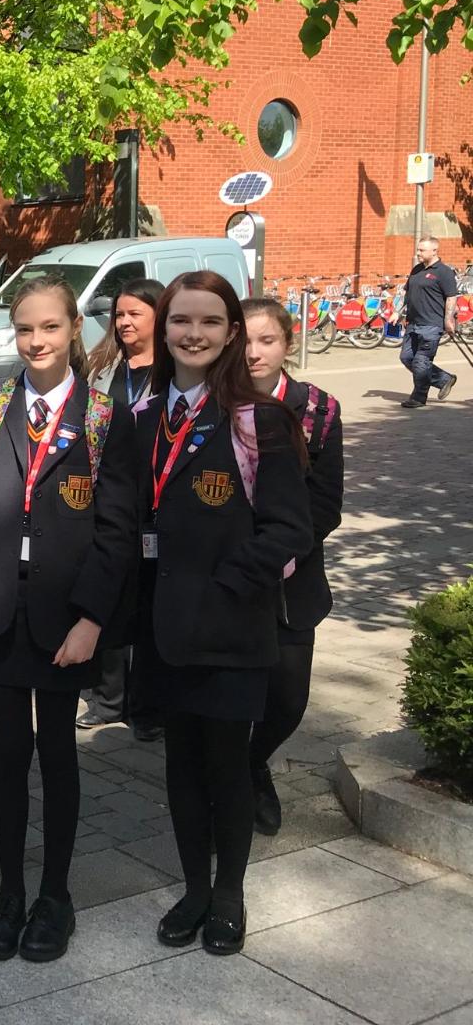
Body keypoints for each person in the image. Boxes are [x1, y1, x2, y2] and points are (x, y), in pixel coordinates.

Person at [71, 271, 311, 956]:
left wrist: (226, 585)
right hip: (163, 630)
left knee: (226, 768)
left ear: (231, 332)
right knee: (179, 767)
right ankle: (194, 889)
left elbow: (287, 529)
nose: (194, 333)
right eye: (182, 320)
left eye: (210, 321)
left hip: (232, 628)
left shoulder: (257, 419)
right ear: (163, 326)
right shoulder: (141, 419)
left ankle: (229, 895)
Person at [0, 279, 114, 962]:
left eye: (49, 327)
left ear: (73, 327)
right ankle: (10, 890)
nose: (37, 342)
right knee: (9, 755)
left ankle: (56, 894)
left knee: (60, 755)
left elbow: (117, 528)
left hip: (66, 616)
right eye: (24, 330)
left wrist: (93, 617)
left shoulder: (103, 414)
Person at [242, 297, 344, 835]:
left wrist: (281, 549)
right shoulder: (213, 407)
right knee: (231, 698)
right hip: (229, 580)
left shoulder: (318, 410)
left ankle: (255, 761)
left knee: (287, 699)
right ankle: (232, 786)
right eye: (246, 341)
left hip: (292, 580)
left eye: (268, 340)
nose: (255, 353)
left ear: (289, 343)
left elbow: (327, 504)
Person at [78, 278, 166, 738]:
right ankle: (108, 697)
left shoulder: (173, 371)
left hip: (157, 502)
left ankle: (148, 706)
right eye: (120, 314)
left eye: (135, 313)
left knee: (151, 606)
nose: (125, 321)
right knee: (109, 595)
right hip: (109, 499)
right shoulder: (103, 365)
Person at [399, 236, 460, 408]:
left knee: (421, 361)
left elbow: (451, 297)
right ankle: (444, 379)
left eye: (421, 250)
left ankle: (418, 398)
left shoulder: (444, 272)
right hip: (413, 323)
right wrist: (400, 313)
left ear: (434, 251)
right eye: (418, 249)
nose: (417, 253)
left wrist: (448, 320)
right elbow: (407, 294)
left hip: (432, 324)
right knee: (407, 357)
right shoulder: (417, 269)